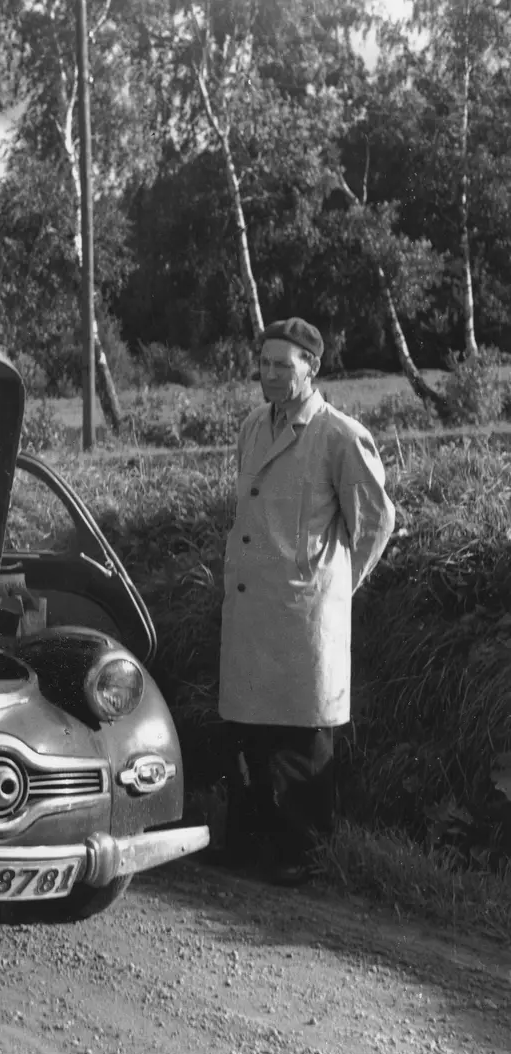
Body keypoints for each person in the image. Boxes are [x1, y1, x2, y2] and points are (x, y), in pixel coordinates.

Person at [218, 317, 395, 886]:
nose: (269, 375)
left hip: (300, 616)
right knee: (249, 732)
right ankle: (247, 846)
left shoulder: (338, 435)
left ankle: (302, 856)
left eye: (282, 365)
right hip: (251, 611)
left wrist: (333, 586)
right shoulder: (252, 426)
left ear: (311, 368)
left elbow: (376, 521)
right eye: (264, 364)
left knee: (300, 738)